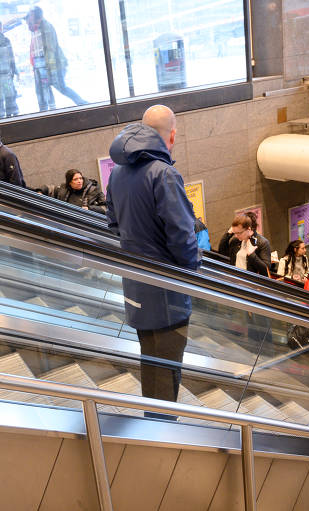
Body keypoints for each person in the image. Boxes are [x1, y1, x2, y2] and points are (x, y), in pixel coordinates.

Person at [105, 105, 199, 417]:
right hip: (167, 295)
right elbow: (182, 238)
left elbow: (113, 223)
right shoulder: (164, 174)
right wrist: (193, 270)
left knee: (151, 363)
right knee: (168, 371)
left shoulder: (118, 171)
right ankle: (161, 432)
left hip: (136, 288)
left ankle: (153, 424)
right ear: (172, 136)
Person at [25, 6, 87, 112]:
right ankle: (48, 111)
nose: (29, 18)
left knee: (61, 87)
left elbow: (50, 48)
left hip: (52, 64)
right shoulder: (36, 29)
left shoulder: (46, 27)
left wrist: (51, 68)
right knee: (45, 89)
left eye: (30, 15)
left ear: (36, 16)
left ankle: (83, 104)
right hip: (42, 64)